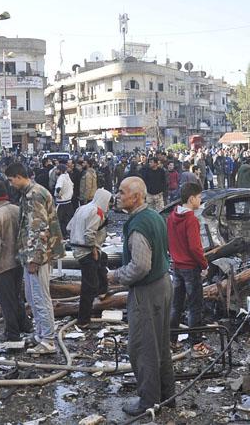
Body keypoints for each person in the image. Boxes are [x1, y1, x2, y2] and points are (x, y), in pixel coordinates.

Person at [108, 177, 175, 416]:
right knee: (161, 344)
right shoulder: (155, 216)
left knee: (143, 347)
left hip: (147, 291)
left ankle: (148, 400)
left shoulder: (138, 225)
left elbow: (140, 266)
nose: (117, 195)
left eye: (121, 192)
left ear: (136, 197)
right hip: (163, 284)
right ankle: (168, 395)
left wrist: (114, 276)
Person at [7, 162, 65, 355]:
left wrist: (36, 258)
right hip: (32, 253)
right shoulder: (31, 193)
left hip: (37, 256)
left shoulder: (34, 196)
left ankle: (48, 339)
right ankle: (41, 334)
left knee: (40, 298)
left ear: (18, 176)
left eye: (10, 180)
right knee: (33, 297)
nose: (10, 184)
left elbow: (39, 229)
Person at [0, 180, 32, 342]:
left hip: (2, 265)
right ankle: (24, 324)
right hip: (18, 261)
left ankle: (12, 333)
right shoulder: (17, 210)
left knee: (6, 301)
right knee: (16, 296)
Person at [167, 182, 208, 346]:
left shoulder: (172, 216)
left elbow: (168, 241)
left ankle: (171, 339)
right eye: (199, 197)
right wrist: (204, 264)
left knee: (176, 305)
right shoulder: (191, 219)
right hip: (190, 267)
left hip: (176, 265)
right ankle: (195, 341)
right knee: (194, 306)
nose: (200, 200)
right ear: (191, 199)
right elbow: (195, 247)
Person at [67, 188, 113, 328]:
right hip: (86, 250)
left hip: (77, 246)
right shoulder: (97, 212)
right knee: (89, 285)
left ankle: (102, 290)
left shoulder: (82, 208)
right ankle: (83, 319)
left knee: (102, 259)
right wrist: (92, 248)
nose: (109, 206)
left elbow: (69, 227)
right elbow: (89, 233)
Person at [54, 163, 75, 237]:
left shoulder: (61, 177)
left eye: (57, 169)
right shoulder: (67, 176)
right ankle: (67, 234)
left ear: (60, 170)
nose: (55, 171)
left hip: (61, 203)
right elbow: (72, 185)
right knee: (68, 219)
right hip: (68, 201)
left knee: (60, 220)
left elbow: (58, 188)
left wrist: (57, 195)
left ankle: (62, 235)